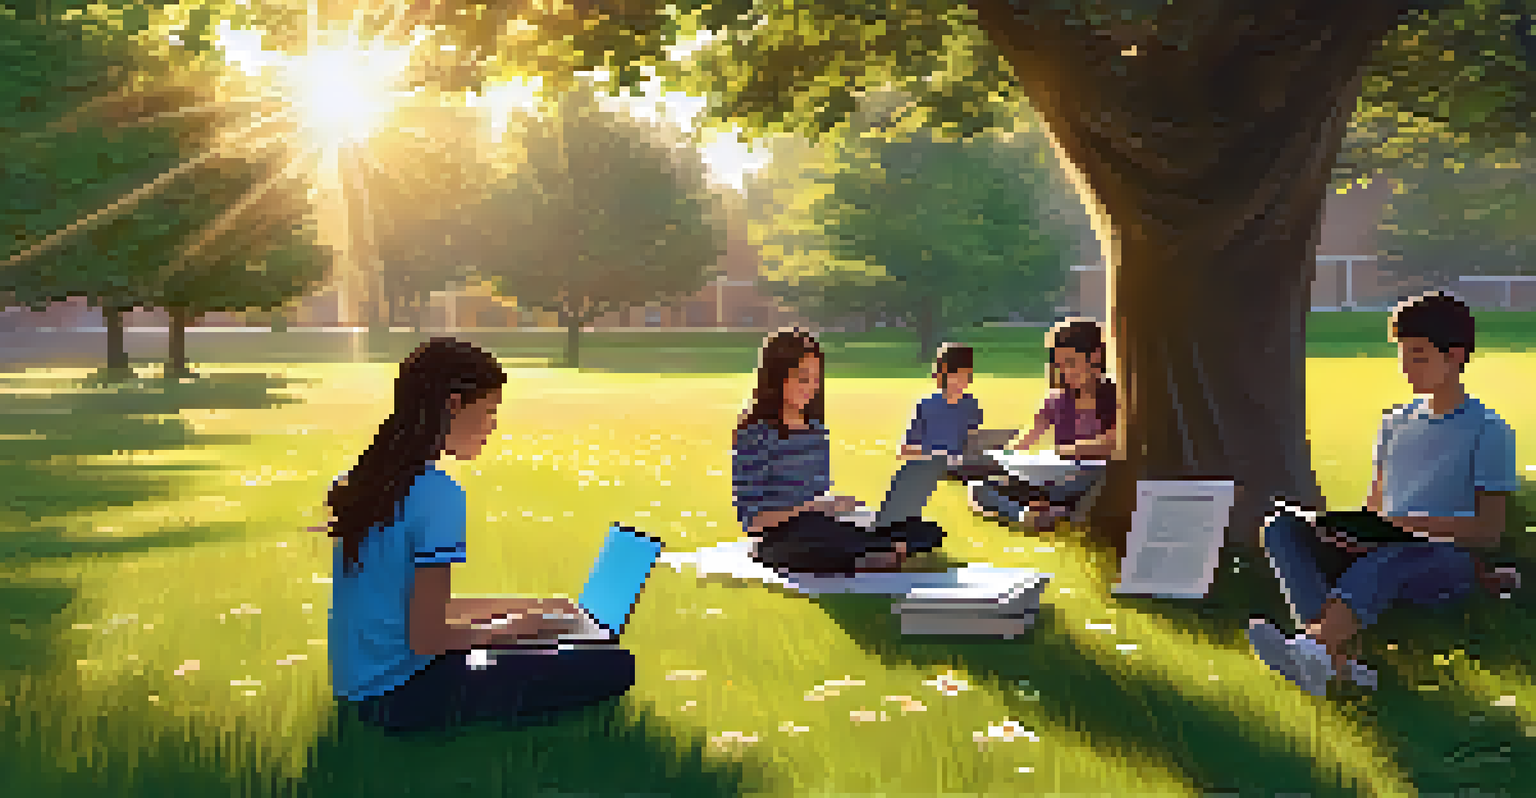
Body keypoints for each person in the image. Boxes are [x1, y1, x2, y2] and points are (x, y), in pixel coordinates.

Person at [326, 337, 635, 734]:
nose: (492, 425)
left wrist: (532, 609)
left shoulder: (368, 483)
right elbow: (429, 637)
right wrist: (513, 629)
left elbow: (414, 609)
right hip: (401, 695)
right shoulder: (438, 494)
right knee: (612, 664)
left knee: (541, 640)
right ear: (453, 405)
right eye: (488, 411)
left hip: (360, 686)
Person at [1247, 292, 1519, 697]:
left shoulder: (1488, 431)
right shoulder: (1395, 423)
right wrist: (1347, 533)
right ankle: (1339, 665)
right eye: (1403, 355)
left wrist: (1403, 527)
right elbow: (1375, 507)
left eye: (1420, 357)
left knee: (1404, 550)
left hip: (1445, 562)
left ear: (1456, 357)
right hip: (1384, 548)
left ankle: (1316, 648)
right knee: (1282, 528)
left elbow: (1487, 532)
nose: (1407, 368)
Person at [732, 328, 947, 576]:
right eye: (803, 378)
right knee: (812, 539)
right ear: (776, 377)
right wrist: (812, 508)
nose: (811, 387)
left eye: (816, 379)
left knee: (927, 529)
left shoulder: (815, 429)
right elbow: (752, 521)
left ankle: (876, 550)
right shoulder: (754, 433)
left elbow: (818, 494)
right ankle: (877, 552)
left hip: (822, 523)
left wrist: (836, 505)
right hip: (781, 534)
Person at [969, 318, 1118, 531]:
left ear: (1094, 356)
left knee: (1091, 487)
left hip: (1093, 482)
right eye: (1060, 365)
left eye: (1071, 362)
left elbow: (1115, 441)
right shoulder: (1056, 400)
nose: (1066, 371)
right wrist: (1006, 458)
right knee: (978, 488)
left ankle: (1054, 510)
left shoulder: (1114, 397)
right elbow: (1026, 438)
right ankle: (1027, 516)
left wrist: (1069, 451)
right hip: (1055, 481)